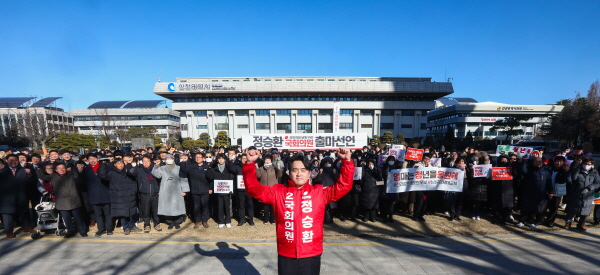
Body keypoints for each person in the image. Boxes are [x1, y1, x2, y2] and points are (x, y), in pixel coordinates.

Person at [242, 146, 354, 275]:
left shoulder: (319, 192)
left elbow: (343, 186)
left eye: (303, 170)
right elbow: (253, 189)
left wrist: (347, 162)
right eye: (295, 170)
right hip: (286, 252)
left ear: (309, 173)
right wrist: (250, 164)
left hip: (311, 252)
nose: (299, 174)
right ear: (289, 172)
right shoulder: (278, 192)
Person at [37, 162, 87, 238]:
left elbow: (76, 174)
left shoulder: (71, 175)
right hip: (61, 201)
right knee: (66, 218)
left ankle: (82, 230)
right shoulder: (52, 176)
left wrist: (72, 167)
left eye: (63, 168)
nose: (61, 170)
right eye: (59, 168)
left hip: (73, 200)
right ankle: (70, 231)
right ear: (56, 170)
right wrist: (40, 167)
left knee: (78, 217)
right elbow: (42, 176)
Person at [0, 155, 37, 238]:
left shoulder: (24, 169)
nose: (14, 162)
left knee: (24, 212)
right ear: (6, 160)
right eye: (11, 160)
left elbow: (33, 181)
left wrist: (30, 174)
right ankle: (9, 231)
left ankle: (26, 227)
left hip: (21, 195)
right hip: (6, 197)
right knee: (7, 215)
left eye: (16, 160)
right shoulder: (3, 170)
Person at [152, 154, 190, 229]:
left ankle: (177, 222)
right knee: (167, 207)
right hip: (165, 189)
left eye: (170, 158)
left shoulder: (179, 168)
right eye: (167, 158)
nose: (169, 160)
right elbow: (157, 175)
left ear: (173, 159)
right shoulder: (162, 168)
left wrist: (185, 190)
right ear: (165, 160)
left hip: (177, 189)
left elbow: (183, 179)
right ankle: (170, 222)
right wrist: (156, 166)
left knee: (177, 206)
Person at [81, 153, 113, 236]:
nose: (92, 160)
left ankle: (109, 229)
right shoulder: (86, 169)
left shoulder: (105, 166)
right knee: (98, 214)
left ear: (97, 158)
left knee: (107, 213)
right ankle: (101, 229)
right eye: (90, 159)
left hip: (105, 193)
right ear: (87, 161)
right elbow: (84, 182)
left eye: (94, 158)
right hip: (93, 195)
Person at [517, 157, 554, 229]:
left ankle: (530, 222)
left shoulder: (546, 171)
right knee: (525, 207)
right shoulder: (529, 169)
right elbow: (522, 170)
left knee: (535, 208)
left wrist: (551, 191)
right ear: (533, 162)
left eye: (540, 162)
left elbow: (549, 182)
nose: (538, 163)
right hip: (528, 192)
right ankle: (522, 221)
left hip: (540, 193)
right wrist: (524, 161)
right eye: (536, 162)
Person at [565, 158, 600, 231]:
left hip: (588, 194)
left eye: (588, 164)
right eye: (585, 164)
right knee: (572, 209)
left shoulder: (594, 173)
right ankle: (568, 222)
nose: (586, 166)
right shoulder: (577, 171)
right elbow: (572, 179)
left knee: (585, 210)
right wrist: (576, 170)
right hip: (576, 193)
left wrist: (589, 188)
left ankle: (581, 224)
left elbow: (597, 183)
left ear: (592, 165)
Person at [129, 155, 161, 233]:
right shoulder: (139, 170)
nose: (146, 163)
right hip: (144, 193)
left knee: (155, 210)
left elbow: (160, 179)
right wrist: (134, 165)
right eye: (144, 161)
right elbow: (131, 172)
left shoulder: (154, 169)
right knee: (146, 211)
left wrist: (159, 189)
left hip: (154, 193)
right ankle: (147, 225)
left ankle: (156, 223)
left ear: (150, 162)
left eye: (147, 161)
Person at [107, 159, 140, 235]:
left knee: (132, 211)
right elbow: (103, 176)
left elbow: (134, 177)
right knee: (122, 213)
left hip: (129, 194)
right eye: (118, 164)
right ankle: (126, 227)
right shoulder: (111, 173)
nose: (120, 165)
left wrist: (130, 165)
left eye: (122, 163)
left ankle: (132, 225)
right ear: (115, 164)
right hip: (119, 196)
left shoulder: (126, 171)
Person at [180, 152, 212, 229]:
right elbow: (184, 170)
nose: (198, 158)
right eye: (196, 157)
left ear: (203, 158)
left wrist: (210, 188)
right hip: (194, 189)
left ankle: (205, 220)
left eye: (199, 157)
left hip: (205, 189)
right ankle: (198, 220)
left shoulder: (207, 167)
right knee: (196, 206)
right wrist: (184, 161)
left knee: (205, 206)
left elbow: (211, 179)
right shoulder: (192, 166)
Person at [207, 154, 235, 228]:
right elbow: (210, 178)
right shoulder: (214, 168)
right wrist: (210, 167)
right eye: (219, 159)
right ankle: (221, 221)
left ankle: (228, 221)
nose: (221, 160)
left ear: (225, 160)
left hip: (227, 190)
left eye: (222, 159)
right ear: (217, 160)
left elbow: (233, 174)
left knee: (227, 206)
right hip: (218, 190)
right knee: (219, 206)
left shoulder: (228, 168)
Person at [256, 155, 282, 224]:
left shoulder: (274, 168)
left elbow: (279, 175)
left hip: (273, 189)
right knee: (265, 205)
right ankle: (266, 219)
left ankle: (272, 219)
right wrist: (257, 168)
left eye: (269, 160)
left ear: (271, 161)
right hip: (264, 189)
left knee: (272, 205)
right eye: (266, 160)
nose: (267, 161)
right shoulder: (261, 168)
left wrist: (279, 168)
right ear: (264, 161)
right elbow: (258, 176)